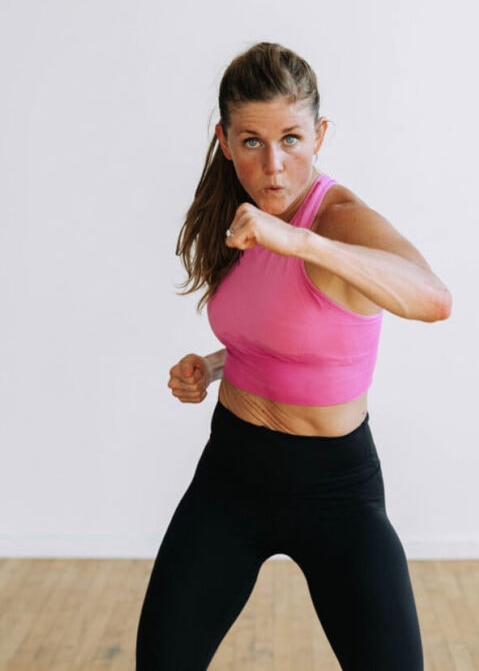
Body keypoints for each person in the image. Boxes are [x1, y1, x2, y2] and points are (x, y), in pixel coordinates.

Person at [136, 42, 452, 670]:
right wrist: (214, 362)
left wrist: (300, 240)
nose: (273, 165)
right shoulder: (237, 212)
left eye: (291, 138)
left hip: (336, 490)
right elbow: (283, 329)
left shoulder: (336, 219)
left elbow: (433, 299)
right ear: (225, 142)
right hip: (232, 474)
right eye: (251, 141)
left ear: (320, 136)